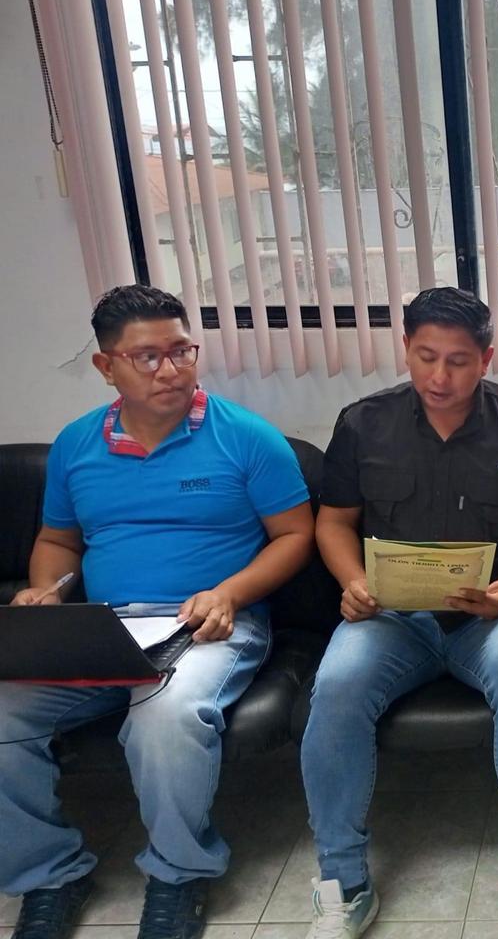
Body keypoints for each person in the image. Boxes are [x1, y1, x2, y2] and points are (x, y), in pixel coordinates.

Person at [0, 285, 315, 939]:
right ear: (106, 366)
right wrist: (45, 591)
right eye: (147, 357)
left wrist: (230, 593)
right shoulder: (76, 445)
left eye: (181, 351)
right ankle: (49, 874)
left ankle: (179, 875)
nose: (170, 369)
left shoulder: (247, 438)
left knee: (165, 719)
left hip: (210, 625)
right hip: (100, 628)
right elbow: (58, 541)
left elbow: (294, 536)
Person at [301, 287, 498, 939]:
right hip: (392, 617)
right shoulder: (363, 423)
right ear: (405, 348)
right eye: (425, 357)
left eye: (458, 361)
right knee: (337, 684)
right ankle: (344, 886)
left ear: (486, 358)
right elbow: (334, 522)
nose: (439, 376)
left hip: (490, 615)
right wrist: (352, 582)